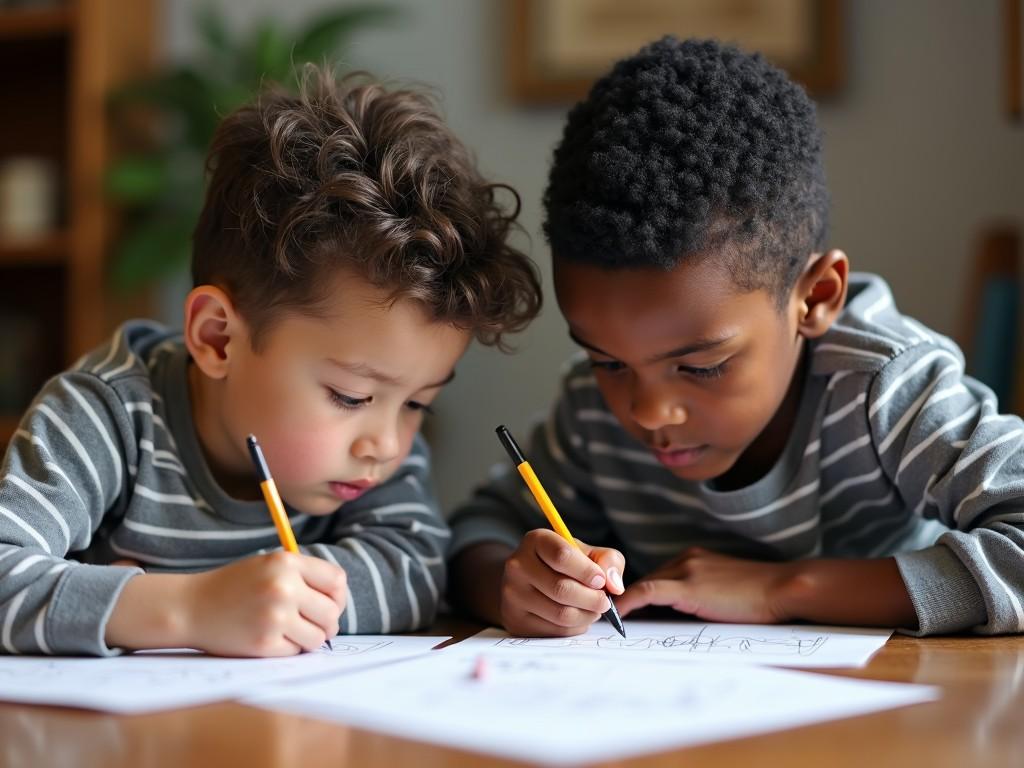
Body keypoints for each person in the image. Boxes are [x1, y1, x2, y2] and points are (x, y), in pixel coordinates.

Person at [449, 37, 1024, 638]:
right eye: (607, 361)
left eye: (700, 367)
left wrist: (784, 590)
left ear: (816, 298)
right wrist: (512, 585)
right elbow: (479, 529)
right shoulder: (590, 414)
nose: (648, 411)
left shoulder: (883, 386)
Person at [0, 67, 541, 656]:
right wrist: (187, 608)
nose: (386, 443)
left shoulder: (373, 452)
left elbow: (413, 571)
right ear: (217, 339)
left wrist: (248, 598)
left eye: (418, 403)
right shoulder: (106, 414)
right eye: (350, 397)